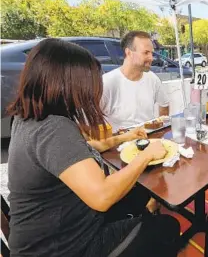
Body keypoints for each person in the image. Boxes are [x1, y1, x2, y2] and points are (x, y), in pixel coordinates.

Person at [7, 39, 180, 257]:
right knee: (166, 228)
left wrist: (123, 137)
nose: (93, 89)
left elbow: (83, 148)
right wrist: (145, 156)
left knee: (138, 193)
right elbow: (102, 197)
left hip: (62, 225)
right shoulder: (53, 129)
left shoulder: (29, 119)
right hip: (66, 246)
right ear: (68, 83)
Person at [102, 31, 169, 132]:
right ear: (128, 53)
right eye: (146, 52)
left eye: (151, 53)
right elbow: (92, 120)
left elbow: (164, 105)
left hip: (148, 140)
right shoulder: (106, 82)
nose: (151, 58)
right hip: (120, 143)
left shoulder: (152, 79)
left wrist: (159, 131)